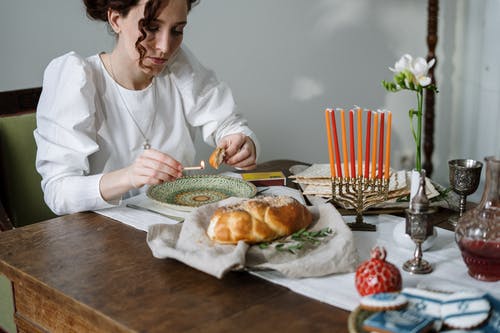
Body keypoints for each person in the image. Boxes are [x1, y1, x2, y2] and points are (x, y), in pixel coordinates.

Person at [34, 0, 258, 215]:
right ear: (115, 20)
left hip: (177, 223)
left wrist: (240, 141)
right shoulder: (76, 77)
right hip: (104, 239)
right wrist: (128, 177)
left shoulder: (178, 65)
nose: (164, 47)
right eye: (151, 28)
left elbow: (227, 123)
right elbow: (58, 192)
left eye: (177, 31)